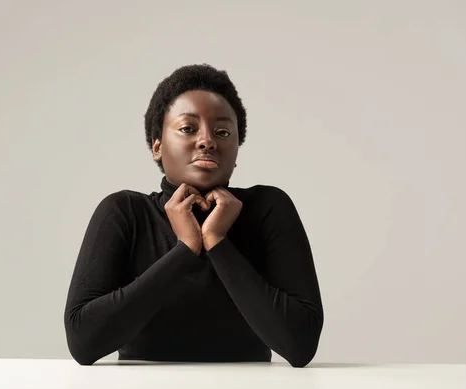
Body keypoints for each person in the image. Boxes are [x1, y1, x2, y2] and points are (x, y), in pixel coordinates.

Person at [63, 64, 324, 367]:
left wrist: (217, 242)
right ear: (157, 146)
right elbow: (83, 343)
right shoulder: (124, 213)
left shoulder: (268, 208)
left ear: (236, 151)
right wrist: (185, 250)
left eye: (223, 132)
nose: (207, 141)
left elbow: (300, 345)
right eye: (188, 128)